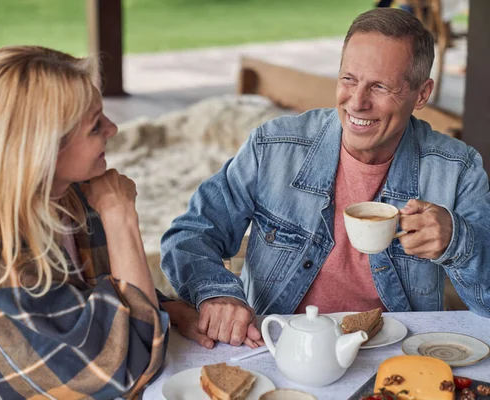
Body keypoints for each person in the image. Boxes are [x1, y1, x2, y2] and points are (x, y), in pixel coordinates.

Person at [161, 7, 490, 349]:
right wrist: (217, 294)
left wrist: (459, 242)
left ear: (421, 94)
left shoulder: (457, 169)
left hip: (398, 355)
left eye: (380, 86)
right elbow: (190, 234)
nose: (357, 102)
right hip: (276, 347)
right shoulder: (273, 147)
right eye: (348, 79)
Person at [0, 45, 186, 399]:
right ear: (43, 150)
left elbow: (113, 296)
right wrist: (120, 218)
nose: (114, 128)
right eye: (94, 126)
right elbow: (129, 367)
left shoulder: (69, 202)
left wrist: (174, 310)